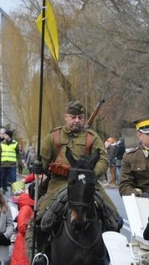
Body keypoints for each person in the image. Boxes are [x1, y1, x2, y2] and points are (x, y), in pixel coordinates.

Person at [35, 100, 119, 237]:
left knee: (114, 218)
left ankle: (110, 254)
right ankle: (42, 255)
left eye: (80, 117)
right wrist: (38, 166)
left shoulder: (92, 137)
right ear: (66, 117)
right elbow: (43, 160)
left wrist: (90, 176)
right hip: (59, 183)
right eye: (73, 117)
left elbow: (103, 160)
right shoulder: (54, 136)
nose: (77, 121)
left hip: (87, 183)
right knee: (41, 219)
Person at [9, 181, 34, 265]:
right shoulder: (27, 208)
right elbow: (22, 227)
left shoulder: (31, 205)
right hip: (26, 243)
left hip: (31, 243)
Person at [0, 129, 21, 194]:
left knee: (13, 178)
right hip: (4, 164)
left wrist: (20, 162)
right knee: (3, 178)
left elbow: (18, 154)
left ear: (9, 136)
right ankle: (4, 189)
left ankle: (13, 191)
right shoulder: (2, 143)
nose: (4, 136)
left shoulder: (15, 143)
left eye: (5, 135)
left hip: (12, 164)